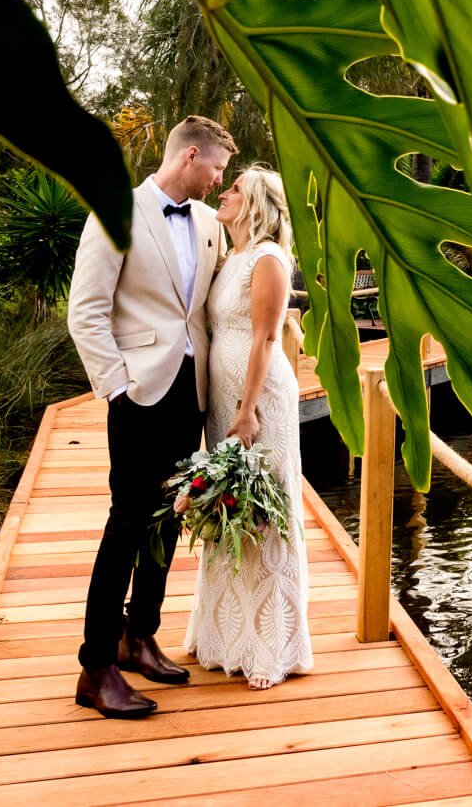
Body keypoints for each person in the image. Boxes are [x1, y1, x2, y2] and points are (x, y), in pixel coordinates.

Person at [65, 115, 234, 718]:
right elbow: (84, 312)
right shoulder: (116, 211)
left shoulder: (212, 223)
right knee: (127, 522)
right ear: (191, 156)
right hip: (139, 391)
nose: (219, 181)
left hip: (191, 392)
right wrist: (116, 390)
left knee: (168, 519)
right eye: (216, 168)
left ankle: (141, 637)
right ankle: (96, 667)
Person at [185, 165, 314, 689]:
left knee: (263, 512)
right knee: (229, 505)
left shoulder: (267, 259)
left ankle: (269, 643)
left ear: (257, 201)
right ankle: (224, 635)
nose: (225, 191)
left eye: (235, 188)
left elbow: (264, 339)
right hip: (225, 400)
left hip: (258, 401)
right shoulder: (231, 256)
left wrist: (248, 408)